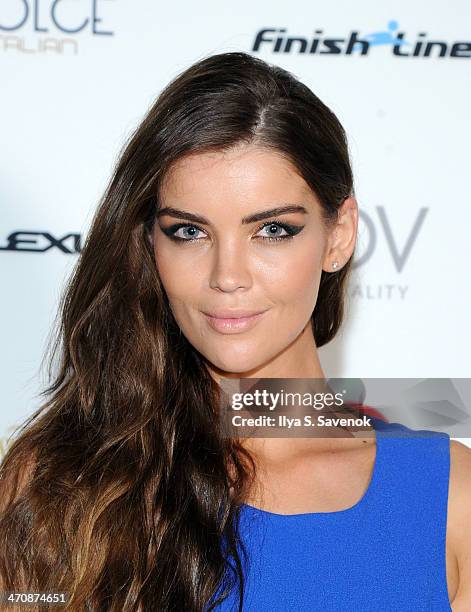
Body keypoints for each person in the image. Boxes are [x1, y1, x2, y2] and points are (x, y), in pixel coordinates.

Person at [0, 51, 469, 612]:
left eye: (272, 229)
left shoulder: (447, 498)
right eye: (188, 232)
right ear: (150, 241)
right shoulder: (58, 484)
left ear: (339, 234)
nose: (227, 276)